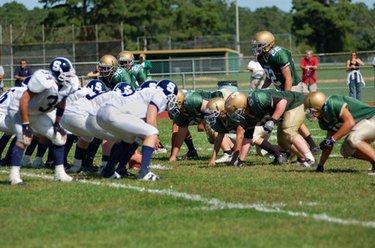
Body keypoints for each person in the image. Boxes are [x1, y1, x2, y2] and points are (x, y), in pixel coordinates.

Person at [7, 57, 78, 185]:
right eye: (66, 74)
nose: (70, 77)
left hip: (38, 113)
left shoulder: (69, 84)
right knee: (24, 138)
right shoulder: (43, 79)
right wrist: (26, 125)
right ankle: (14, 176)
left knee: (59, 137)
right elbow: (24, 99)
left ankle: (60, 173)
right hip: (19, 109)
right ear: (57, 73)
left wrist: (57, 123)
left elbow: (62, 102)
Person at [252, 30, 320, 155]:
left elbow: (288, 78)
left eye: (260, 45)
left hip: (292, 87)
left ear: (268, 44)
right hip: (281, 89)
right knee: (290, 120)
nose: (257, 47)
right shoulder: (262, 57)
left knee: (290, 120)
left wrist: (286, 96)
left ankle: (309, 147)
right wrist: (262, 89)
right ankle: (310, 146)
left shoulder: (279, 54)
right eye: (256, 45)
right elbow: (269, 75)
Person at [96, 79, 179, 180]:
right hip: (114, 112)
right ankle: (144, 172)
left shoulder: (147, 92)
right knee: (152, 132)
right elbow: (150, 119)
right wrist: (155, 137)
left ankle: (111, 170)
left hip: (102, 114)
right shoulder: (160, 95)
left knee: (132, 138)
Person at [226, 90, 315, 167]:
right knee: (283, 142)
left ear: (243, 105)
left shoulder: (258, 98)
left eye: (236, 112)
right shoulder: (247, 117)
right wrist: (240, 161)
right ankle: (303, 159)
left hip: (295, 102)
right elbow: (247, 139)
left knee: (288, 130)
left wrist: (273, 120)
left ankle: (310, 159)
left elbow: (282, 102)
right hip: (284, 112)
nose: (235, 115)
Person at [305, 92, 375, 175]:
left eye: (312, 110)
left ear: (319, 106)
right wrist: (321, 165)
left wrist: (332, 139)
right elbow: (329, 143)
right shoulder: (324, 119)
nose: (311, 113)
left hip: (372, 117)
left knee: (353, 139)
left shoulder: (333, 103)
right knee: (346, 151)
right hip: (365, 125)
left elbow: (350, 122)